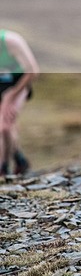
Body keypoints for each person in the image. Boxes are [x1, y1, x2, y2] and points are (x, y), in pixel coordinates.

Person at [0, 29, 39, 176]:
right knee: (5, 127)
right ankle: (20, 160)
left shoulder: (11, 41)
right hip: (1, 86)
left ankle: (3, 167)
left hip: (18, 84)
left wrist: (11, 96)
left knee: (4, 127)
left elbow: (33, 71)